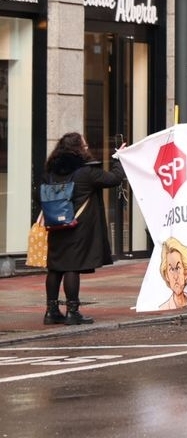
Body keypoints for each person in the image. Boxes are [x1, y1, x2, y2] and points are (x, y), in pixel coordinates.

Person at [40, 132, 126, 326]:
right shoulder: (86, 172)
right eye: (85, 147)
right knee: (72, 267)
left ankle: (51, 311)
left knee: (55, 268)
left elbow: (40, 196)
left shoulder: (50, 172)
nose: (87, 149)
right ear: (79, 149)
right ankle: (73, 312)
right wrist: (119, 159)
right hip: (77, 227)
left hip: (55, 225)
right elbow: (114, 179)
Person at [158, 237, 187, 310]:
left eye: (178, 268)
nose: (175, 276)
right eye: (171, 269)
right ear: (166, 276)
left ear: (185, 273)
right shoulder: (163, 309)